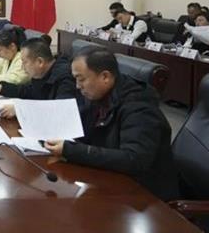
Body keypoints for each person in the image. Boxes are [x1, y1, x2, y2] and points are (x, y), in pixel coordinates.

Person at [43, 47, 179, 201]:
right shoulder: (99, 95)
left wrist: (70, 150)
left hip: (145, 195)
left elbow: (134, 159)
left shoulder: (139, 107)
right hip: (113, 179)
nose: (77, 86)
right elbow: (85, 131)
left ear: (105, 77)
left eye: (81, 79)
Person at [0, 37, 80, 117]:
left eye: (25, 62)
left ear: (40, 62)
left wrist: (21, 110)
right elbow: (30, 91)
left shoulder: (66, 76)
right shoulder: (42, 73)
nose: (22, 67)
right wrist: (2, 88)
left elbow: (62, 109)